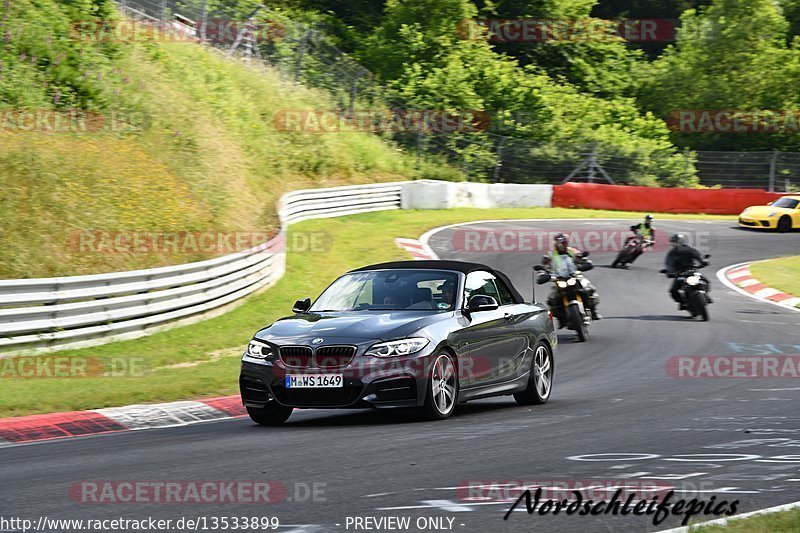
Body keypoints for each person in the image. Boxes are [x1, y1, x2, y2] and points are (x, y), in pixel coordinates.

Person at [541, 233, 601, 320]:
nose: (562, 245)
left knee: (589, 288)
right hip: (558, 279)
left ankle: (594, 310)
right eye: (560, 243)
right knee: (551, 299)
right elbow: (544, 265)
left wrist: (586, 263)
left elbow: (581, 258)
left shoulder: (572, 251)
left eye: (564, 243)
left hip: (574, 276)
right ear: (556, 243)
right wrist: (542, 273)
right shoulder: (550, 254)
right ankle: (560, 317)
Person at [664, 233, 710, 309]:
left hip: (692, 271)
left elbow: (698, 256)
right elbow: (669, 264)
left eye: (675, 242)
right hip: (680, 273)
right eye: (673, 242)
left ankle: (706, 295)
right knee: (673, 291)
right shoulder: (672, 253)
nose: (673, 244)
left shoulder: (689, 249)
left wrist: (703, 261)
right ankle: (683, 302)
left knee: (705, 282)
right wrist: (669, 272)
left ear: (680, 241)